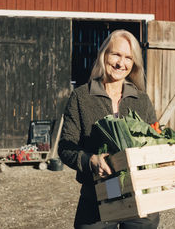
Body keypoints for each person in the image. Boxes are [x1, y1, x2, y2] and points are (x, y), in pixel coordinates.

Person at [58, 30, 159, 228]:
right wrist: (90, 160)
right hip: (96, 197)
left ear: (134, 63)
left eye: (128, 57)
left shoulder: (141, 100)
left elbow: (153, 139)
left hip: (140, 198)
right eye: (116, 55)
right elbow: (65, 147)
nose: (121, 63)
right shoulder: (81, 97)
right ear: (104, 55)